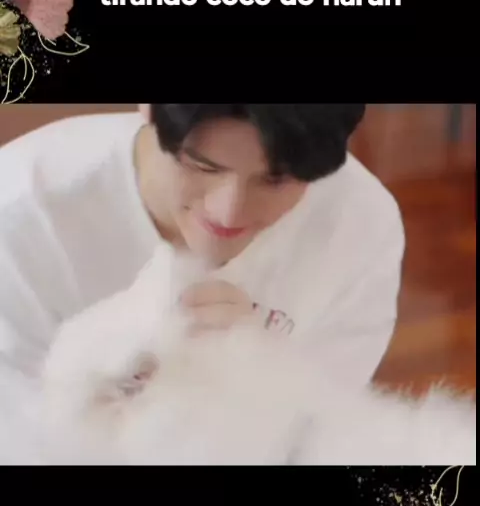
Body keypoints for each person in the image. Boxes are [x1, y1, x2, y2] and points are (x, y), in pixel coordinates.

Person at [0, 104, 405, 400]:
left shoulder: (360, 227)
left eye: (274, 180)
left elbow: (325, 427)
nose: (227, 212)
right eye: (203, 166)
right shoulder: (22, 217)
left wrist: (260, 373)